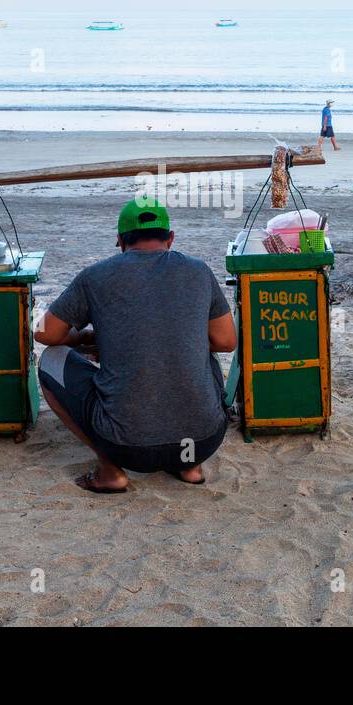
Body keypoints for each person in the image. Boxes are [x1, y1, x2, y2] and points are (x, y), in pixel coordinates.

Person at [34, 197, 237, 493]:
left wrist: (83, 338)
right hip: (204, 441)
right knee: (208, 353)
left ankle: (110, 469)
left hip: (126, 448)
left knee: (49, 361)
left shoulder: (96, 276)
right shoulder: (199, 271)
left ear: (119, 241)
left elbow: (44, 334)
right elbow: (227, 341)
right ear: (170, 239)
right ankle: (188, 466)